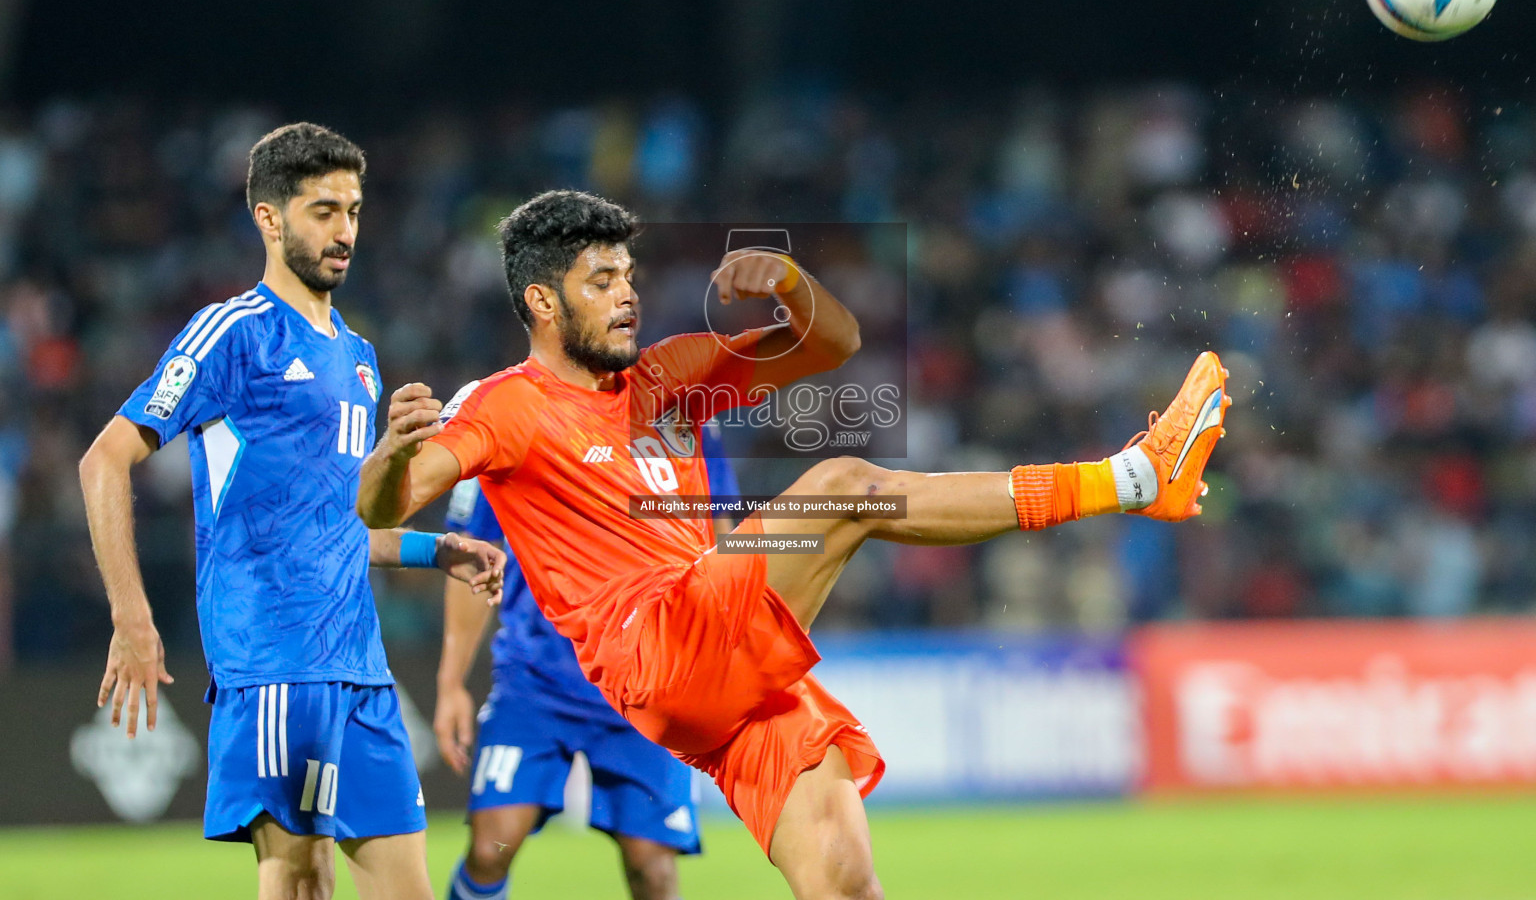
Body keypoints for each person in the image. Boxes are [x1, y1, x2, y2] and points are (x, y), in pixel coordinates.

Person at [357, 190, 1229, 900]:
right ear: (542, 302)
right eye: (599, 280)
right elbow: (383, 505)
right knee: (846, 486)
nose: (626, 293)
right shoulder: (506, 406)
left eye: (629, 274)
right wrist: (394, 456)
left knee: (845, 877)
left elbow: (833, 343)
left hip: (717, 664)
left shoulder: (667, 374)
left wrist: (790, 280)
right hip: (651, 645)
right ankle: (1134, 480)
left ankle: (1141, 481)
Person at [78, 123, 506, 900]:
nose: (344, 231)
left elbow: (333, 524)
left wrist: (431, 550)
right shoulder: (231, 333)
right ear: (269, 220)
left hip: (362, 671)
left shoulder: (360, 355)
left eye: (353, 209)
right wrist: (131, 616)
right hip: (276, 663)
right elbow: (103, 459)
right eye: (322, 211)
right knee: (303, 882)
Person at [433, 419, 735, 900]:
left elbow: (721, 542)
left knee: (653, 868)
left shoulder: (682, 415)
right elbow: (474, 555)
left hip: (645, 681)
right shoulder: (510, 414)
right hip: (536, 678)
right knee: (492, 845)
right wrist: (451, 683)